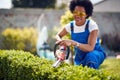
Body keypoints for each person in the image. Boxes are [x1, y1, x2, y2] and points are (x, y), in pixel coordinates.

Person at [55, 0, 106, 69]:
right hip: (80, 56)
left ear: (87, 14)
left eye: (81, 13)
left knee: (91, 57)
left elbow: (90, 48)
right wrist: (61, 43)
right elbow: (58, 35)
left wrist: (73, 42)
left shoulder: (91, 25)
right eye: (75, 12)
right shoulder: (71, 25)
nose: (77, 15)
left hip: (95, 53)